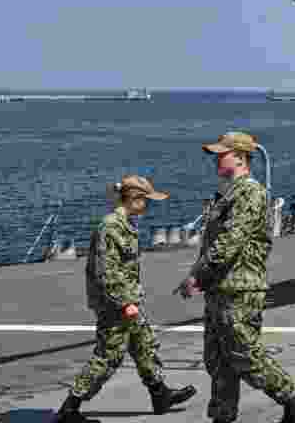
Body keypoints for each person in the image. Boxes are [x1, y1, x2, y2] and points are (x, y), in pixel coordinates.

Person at [176, 132, 295, 423]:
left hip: (240, 288)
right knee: (218, 360)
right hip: (222, 287)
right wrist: (201, 277)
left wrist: (197, 275)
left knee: (243, 354)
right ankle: (222, 416)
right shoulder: (230, 193)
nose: (217, 159)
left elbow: (230, 241)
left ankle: (294, 402)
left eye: (222, 154)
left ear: (240, 157)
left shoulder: (250, 193)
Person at [55, 176, 197, 422]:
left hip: (127, 299)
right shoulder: (111, 227)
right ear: (134, 199)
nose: (148, 207)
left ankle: (160, 393)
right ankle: (70, 407)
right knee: (109, 355)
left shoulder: (125, 224)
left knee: (144, 344)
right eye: (146, 201)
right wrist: (125, 303)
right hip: (115, 303)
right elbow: (106, 270)